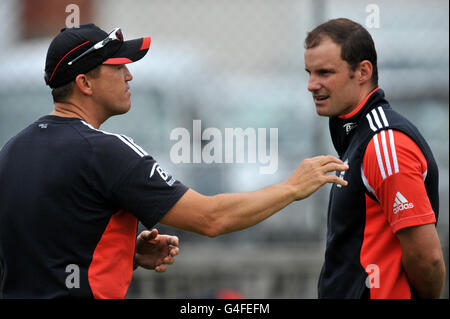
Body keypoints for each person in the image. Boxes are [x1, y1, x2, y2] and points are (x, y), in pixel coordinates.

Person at [0, 24, 348, 299]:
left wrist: (123, 253)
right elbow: (212, 218)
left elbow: (41, 245)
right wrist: (292, 188)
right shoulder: (104, 151)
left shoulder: (12, 151)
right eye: (117, 65)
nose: (129, 74)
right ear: (84, 83)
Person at [303, 18, 446, 299]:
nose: (311, 84)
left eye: (325, 72)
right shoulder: (358, 135)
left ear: (363, 71)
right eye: (309, 72)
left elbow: (428, 259)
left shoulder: (384, 143)